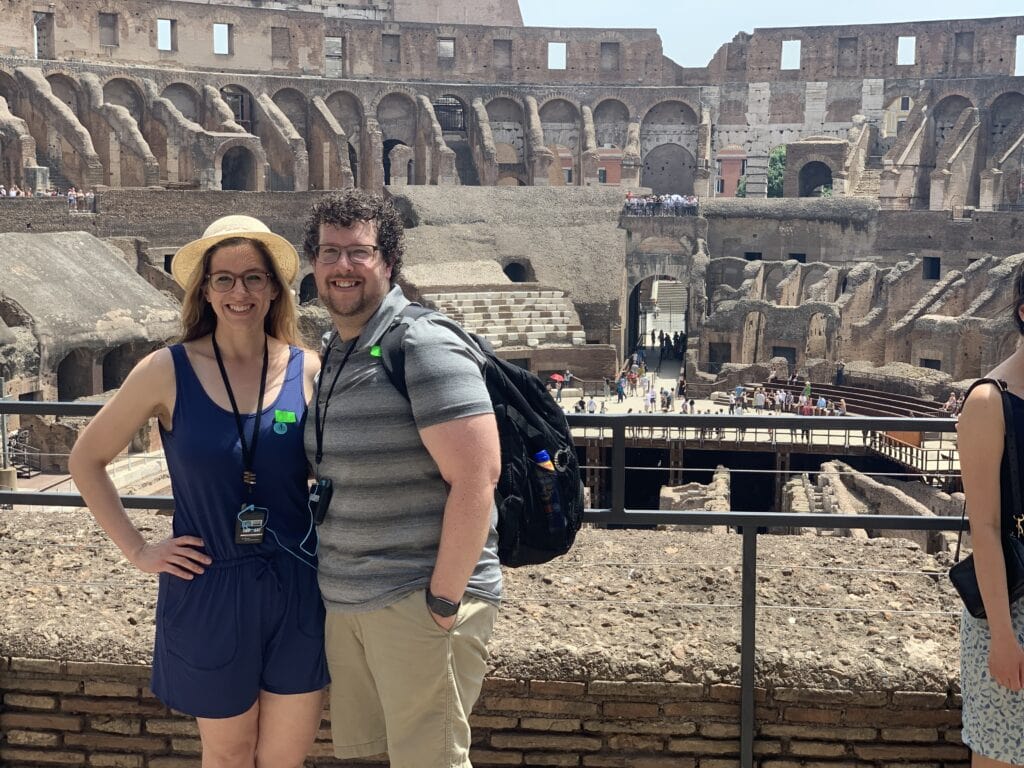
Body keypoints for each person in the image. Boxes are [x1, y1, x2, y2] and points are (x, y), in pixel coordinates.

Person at [69, 216, 327, 766]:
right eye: (224, 279)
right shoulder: (166, 369)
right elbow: (86, 460)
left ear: (274, 289)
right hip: (209, 584)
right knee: (228, 755)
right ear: (205, 291)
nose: (239, 291)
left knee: (284, 757)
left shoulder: (308, 370)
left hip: (297, 583)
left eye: (254, 277)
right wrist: (138, 550)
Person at [302, 190, 501, 767]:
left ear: (388, 262)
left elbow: (477, 478)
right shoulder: (335, 350)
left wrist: (443, 601)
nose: (342, 266)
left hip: (415, 598)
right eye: (329, 252)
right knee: (374, 757)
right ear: (314, 263)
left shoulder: (422, 341)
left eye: (359, 252)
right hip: (350, 599)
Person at [957, 266, 1024, 768]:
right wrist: (1002, 636)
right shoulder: (987, 401)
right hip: (1012, 608)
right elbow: (985, 527)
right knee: (1003, 754)